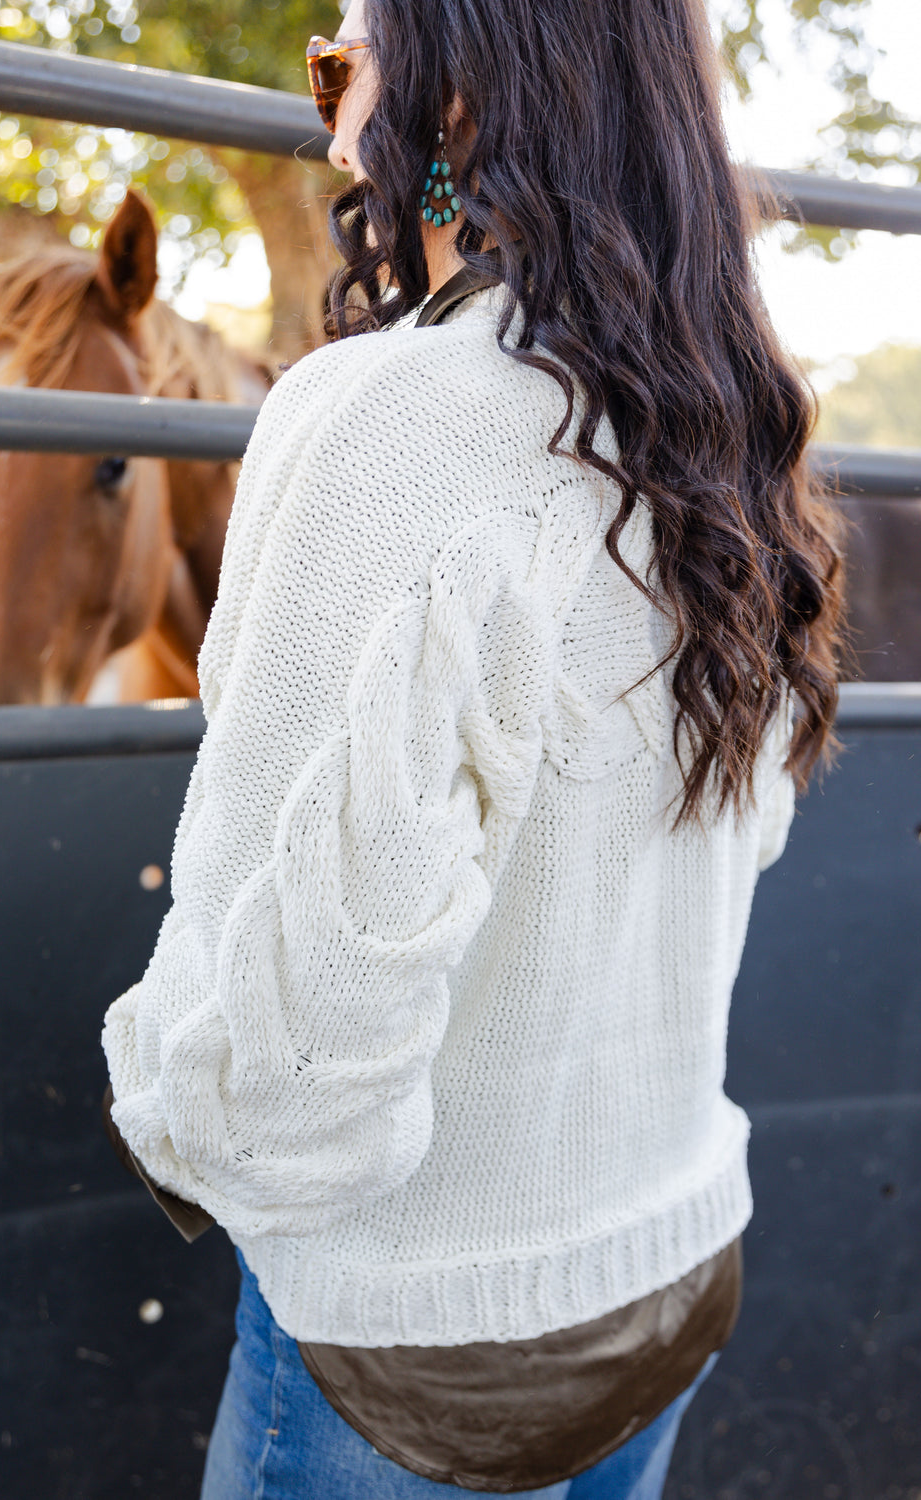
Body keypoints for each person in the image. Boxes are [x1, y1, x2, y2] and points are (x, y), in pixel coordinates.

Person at [101, 0, 848, 1494]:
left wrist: (157, 1103)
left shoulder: (380, 423)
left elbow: (279, 1092)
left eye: (344, 63)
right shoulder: (723, 443)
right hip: (669, 1270)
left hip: (415, 1358)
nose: (326, 116)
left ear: (453, 101)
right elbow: (740, 830)